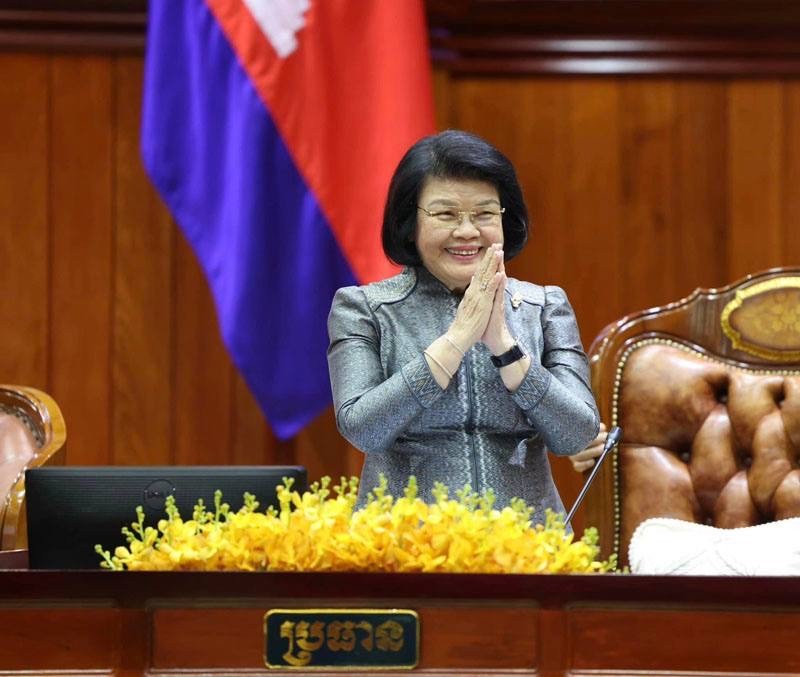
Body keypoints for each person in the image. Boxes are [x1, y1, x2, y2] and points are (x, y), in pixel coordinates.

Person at [327, 130, 599, 524]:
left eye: (485, 214)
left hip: (527, 545)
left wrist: (505, 347)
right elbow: (363, 429)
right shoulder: (365, 309)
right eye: (446, 214)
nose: (468, 231)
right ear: (409, 223)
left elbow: (576, 434)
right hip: (405, 544)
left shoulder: (545, 306)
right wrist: (456, 341)